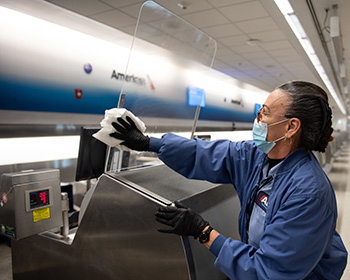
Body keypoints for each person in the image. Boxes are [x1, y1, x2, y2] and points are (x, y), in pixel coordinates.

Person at [110, 81, 348, 279]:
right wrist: (149, 143)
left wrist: (203, 231)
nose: (257, 119)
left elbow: (271, 271)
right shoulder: (256, 156)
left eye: (264, 112)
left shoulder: (307, 193)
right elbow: (204, 153)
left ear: (290, 127)